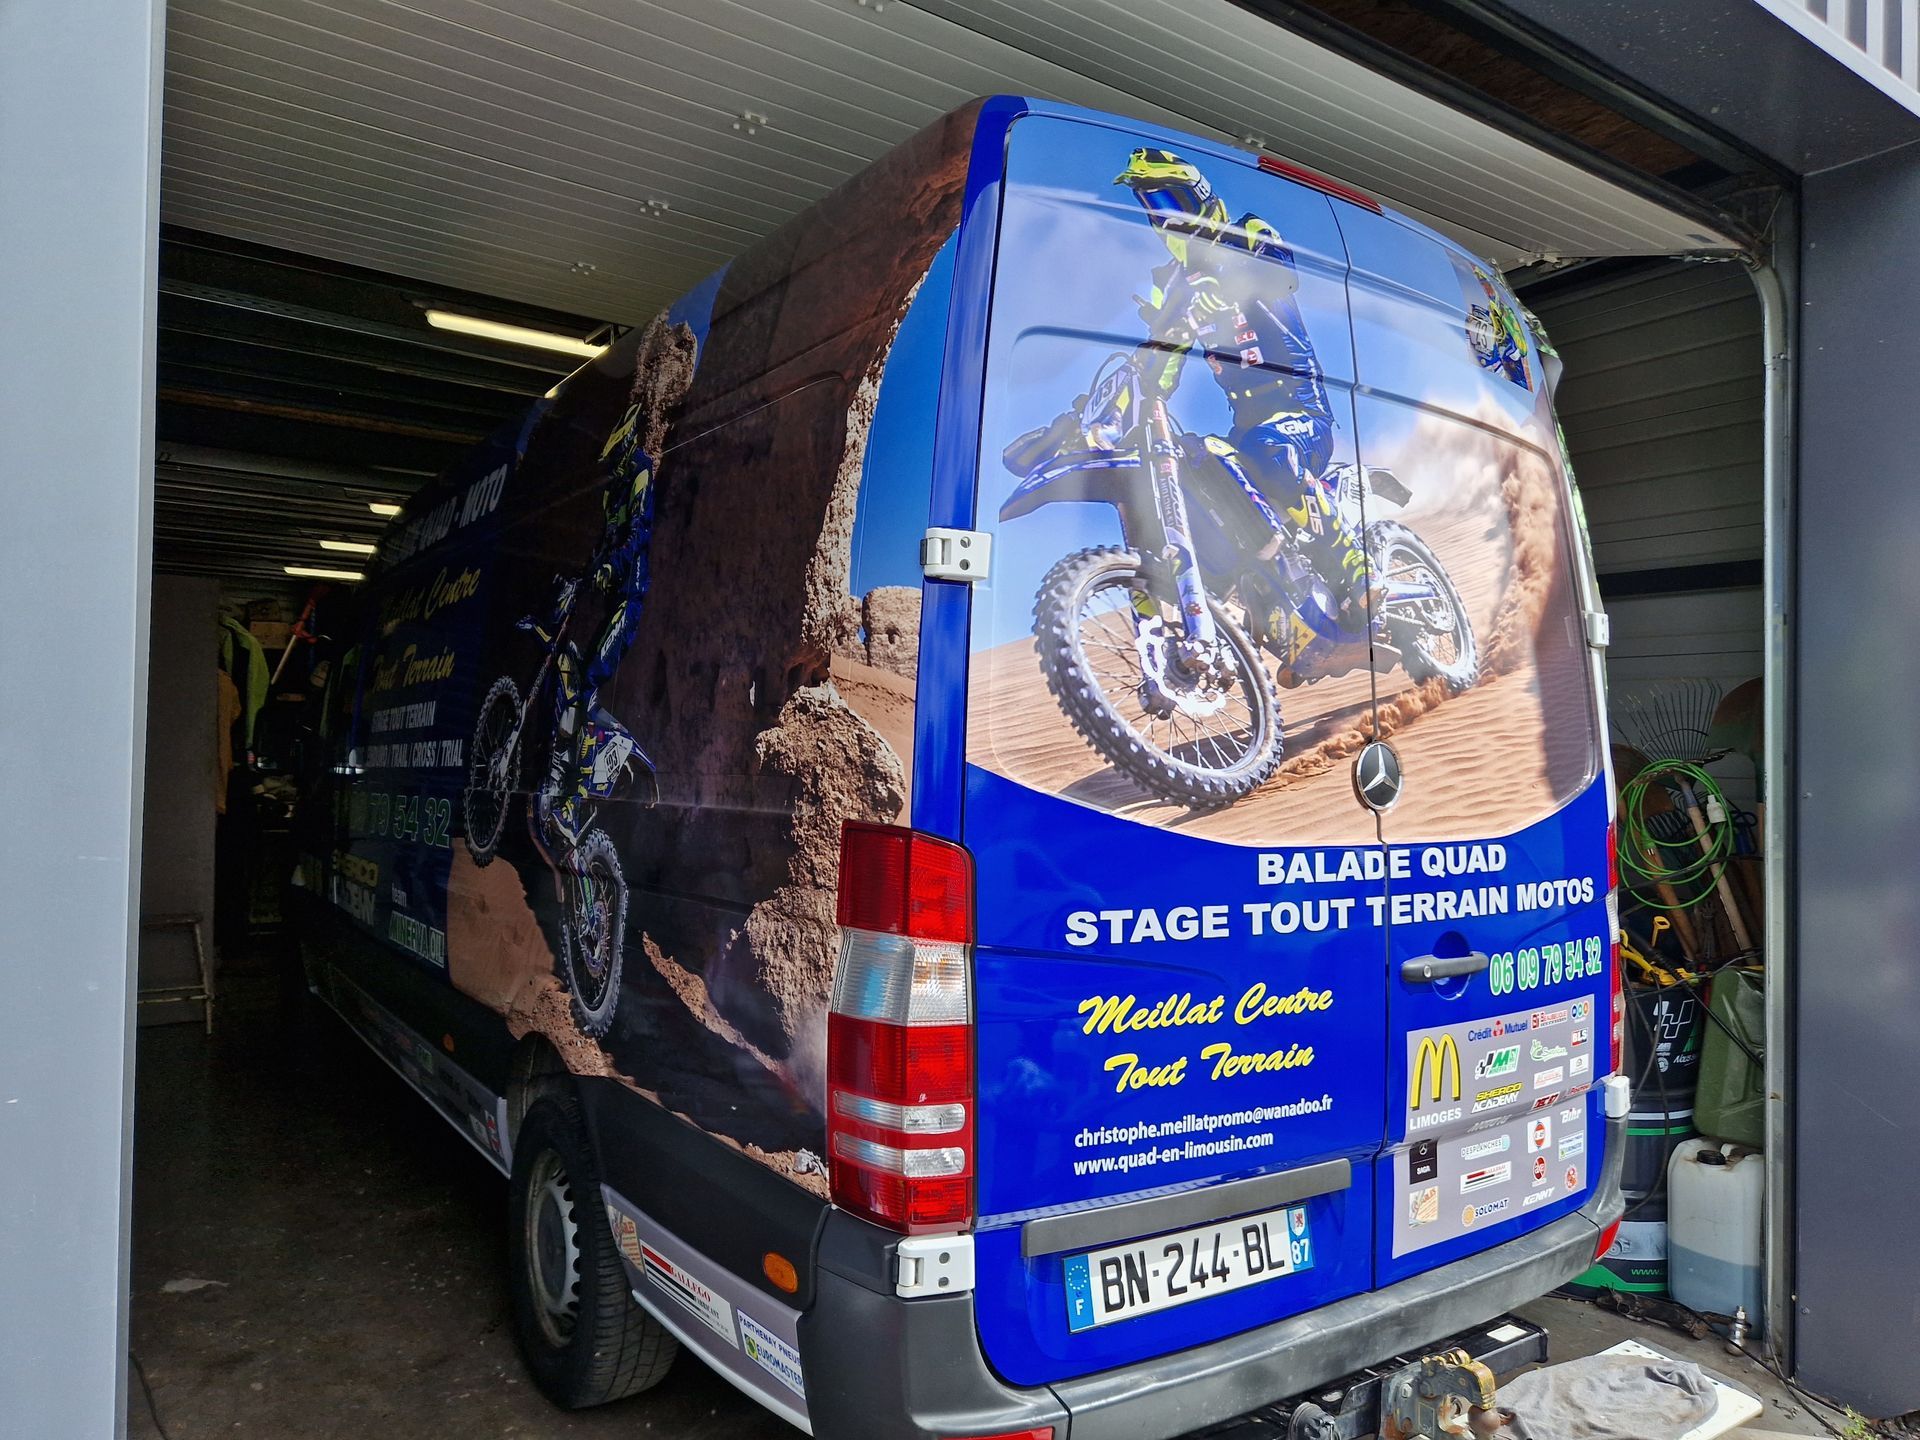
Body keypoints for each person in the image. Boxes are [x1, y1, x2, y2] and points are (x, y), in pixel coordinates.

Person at [1114, 147, 1369, 624]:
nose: (1166, 218)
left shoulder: (1248, 234)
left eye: (1171, 201)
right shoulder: (1174, 283)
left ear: (1201, 197)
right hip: (1247, 426)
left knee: (1267, 447)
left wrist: (1225, 283)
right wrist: (1116, 401)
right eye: (1153, 206)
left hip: (1303, 413)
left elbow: (1279, 274)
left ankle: (1356, 568)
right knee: (1194, 466)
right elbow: (1160, 368)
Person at [545, 401, 655, 844]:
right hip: (609, 596)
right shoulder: (612, 492)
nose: (610, 467)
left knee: (588, 681)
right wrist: (581, 575)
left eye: (614, 459)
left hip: (629, 598)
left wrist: (613, 566)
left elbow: (639, 532)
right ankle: (558, 770)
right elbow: (603, 543)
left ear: (626, 446)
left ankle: (571, 803)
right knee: (569, 669)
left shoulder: (641, 471)